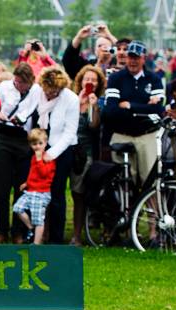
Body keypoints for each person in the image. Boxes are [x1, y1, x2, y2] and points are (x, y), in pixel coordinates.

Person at [0, 62, 41, 243]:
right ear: (15, 79)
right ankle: (1, 231)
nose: (22, 87)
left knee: (21, 187)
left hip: (23, 140)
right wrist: (0, 115)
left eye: (25, 84)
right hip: (4, 137)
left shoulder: (36, 90)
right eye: (19, 83)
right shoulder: (3, 88)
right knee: (1, 188)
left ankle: (17, 231)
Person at [103, 41, 165, 187]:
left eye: (136, 58)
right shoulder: (116, 78)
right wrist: (144, 108)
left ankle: (153, 210)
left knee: (150, 180)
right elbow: (111, 111)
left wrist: (129, 106)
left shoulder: (154, 79)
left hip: (147, 135)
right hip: (122, 134)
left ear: (144, 59)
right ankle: (126, 209)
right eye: (130, 57)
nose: (132, 61)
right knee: (123, 182)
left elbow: (157, 110)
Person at [37, 66, 79, 243]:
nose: (50, 94)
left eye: (54, 91)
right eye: (48, 90)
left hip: (62, 150)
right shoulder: (38, 93)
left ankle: (56, 238)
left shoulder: (71, 99)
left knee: (57, 194)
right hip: (41, 146)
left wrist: (51, 154)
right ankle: (39, 235)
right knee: (39, 192)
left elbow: (69, 133)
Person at [69, 65, 106, 246]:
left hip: (85, 151)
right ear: (80, 81)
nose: (89, 82)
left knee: (79, 193)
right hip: (67, 148)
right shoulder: (71, 98)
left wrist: (94, 106)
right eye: (87, 79)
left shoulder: (97, 102)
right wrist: (78, 101)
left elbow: (93, 125)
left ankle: (77, 235)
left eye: (94, 80)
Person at [13, 129, 55, 244]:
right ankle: (31, 227)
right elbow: (33, 173)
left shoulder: (48, 158)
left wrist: (39, 160)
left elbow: (44, 173)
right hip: (31, 191)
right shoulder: (33, 158)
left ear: (45, 143)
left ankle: (36, 243)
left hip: (41, 193)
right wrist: (27, 183)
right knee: (18, 208)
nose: (37, 147)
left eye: (40, 143)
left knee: (39, 220)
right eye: (34, 144)